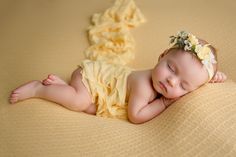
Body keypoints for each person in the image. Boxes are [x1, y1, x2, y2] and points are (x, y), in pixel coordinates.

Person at [9, 31, 227, 124]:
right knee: (80, 102)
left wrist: (213, 77)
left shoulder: (169, 80)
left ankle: (61, 87)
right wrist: (164, 102)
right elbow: (136, 115)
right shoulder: (144, 86)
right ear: (161, 56)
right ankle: (39, 89)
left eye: (183, 86)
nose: (171, 81)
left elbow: (198, 80)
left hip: (107, 91)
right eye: (171, 68)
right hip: (93, 78)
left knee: (91, 108)